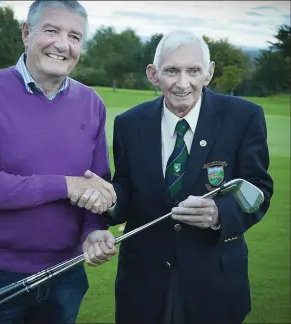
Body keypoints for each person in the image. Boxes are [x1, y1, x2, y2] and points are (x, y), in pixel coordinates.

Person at [0, 1, 117, 323]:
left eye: (74, 37)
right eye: (51, 30)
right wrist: (66, 184)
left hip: (66, 274)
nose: (62, 45)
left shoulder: (92, 103)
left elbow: (96, 184)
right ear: (27, 33)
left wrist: (94, 230)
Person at [105, 30, 274, 324]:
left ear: (208, 73)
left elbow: (258, 189)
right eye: (171, 71)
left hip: (214, 283)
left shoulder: (244, 117)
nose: (183, 83)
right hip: (143, 283)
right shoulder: (129, 123)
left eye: (193, 70)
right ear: (153, 74)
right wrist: (107, 200)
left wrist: (219, 214)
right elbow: (127, 189)